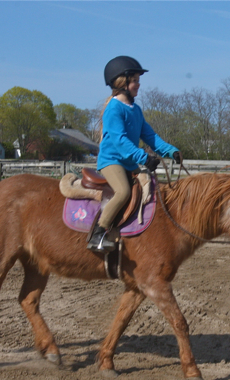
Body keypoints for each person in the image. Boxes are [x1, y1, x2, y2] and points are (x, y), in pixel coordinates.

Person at [87, 56, 182, 253]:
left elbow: (150, 136)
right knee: (123, 192)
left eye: (139, 81)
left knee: (153, 189)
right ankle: (99, 233)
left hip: (129, 161)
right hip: (112, 161)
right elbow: (119, 142)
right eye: (135, 81)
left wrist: (171, 151)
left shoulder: (135, 110)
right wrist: (144, 158)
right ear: (122, 83)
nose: (138, 85)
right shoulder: (113, 109)